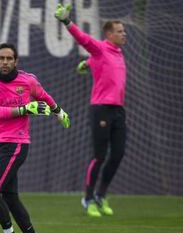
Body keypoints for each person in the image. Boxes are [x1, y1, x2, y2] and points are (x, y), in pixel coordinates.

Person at [0, 43, 70, 233]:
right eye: (1, 58)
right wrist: (25, 108)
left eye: (9, 58)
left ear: (16, 61)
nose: (4, 62)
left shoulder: (28, 80)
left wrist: (58, 112)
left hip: (17, 143)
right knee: (10, 197)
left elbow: (43, 95)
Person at [55, 4, 127, 217]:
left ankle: (101, 196)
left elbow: (99, 62)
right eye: (120, 31)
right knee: (99, 155)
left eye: (124, 31)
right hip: (101, 110)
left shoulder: (117, 52)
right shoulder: (100, 47)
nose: (124, 34)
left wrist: (86, 64)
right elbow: (84, 40)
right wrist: (67, 21)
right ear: (108, 34)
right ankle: (88, 199)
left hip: (118, 111)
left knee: (118, 155)